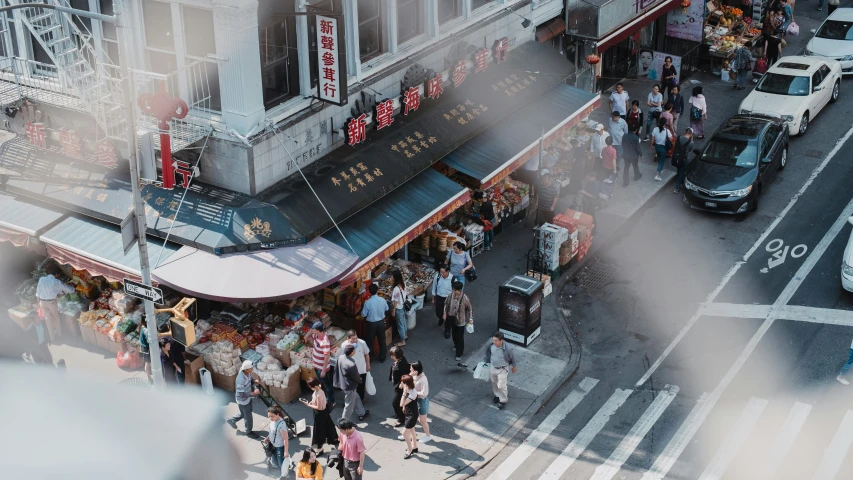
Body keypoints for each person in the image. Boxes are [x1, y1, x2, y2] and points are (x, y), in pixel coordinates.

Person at [334, 344, 369, 422]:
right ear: (352, 352)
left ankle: (361, 412)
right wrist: (360, 380)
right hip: (350, 386)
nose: (355, 351)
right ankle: (344, 422)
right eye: (354, 350)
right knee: (349, 405)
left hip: (343, 383)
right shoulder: (351, 364)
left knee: (356, 397)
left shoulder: (340, 357)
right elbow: (356, 376)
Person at [302, 377, 338, 453]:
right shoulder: (319, 388)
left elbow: (319, 407)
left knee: (318, 431)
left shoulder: (319, 394)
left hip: (320, 414)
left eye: (310, 386)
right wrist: (312, 401)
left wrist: (308, 404)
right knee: (329, 426)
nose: (309, 387)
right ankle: (333, 439)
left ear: (314, 386)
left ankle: (319, 447)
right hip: (324, 413)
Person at [227, 360, 261, 438]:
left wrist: (254, 380)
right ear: (246, 369)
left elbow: (250, 378)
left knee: (245, 413)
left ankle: (232, 420)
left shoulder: (247, 373)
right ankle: (248, 431)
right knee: (248, 416)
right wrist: (253, 393)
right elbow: (241, 394)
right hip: (243, 400)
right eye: (251, 368)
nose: (252, 369)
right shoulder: (240, 380)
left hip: (247, 398)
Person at [484, 332, 518, 410]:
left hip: (503, 369)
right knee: (494, 382)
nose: (494, 342)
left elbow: (513, 357)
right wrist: (486, 362)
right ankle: (497, 395)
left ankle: (503, 400)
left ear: (501, 340)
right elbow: (487, 353)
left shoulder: (508, 348)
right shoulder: (491, 345)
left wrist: (514, 366)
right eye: (493, 340)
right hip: (493, 367)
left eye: (496, 341)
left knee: (502, 385)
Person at [35, 273, 74, 342]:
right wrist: (73, 289)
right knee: (56, 317)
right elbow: (66, 288)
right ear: (56, 274)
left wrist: (38, 303)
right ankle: (59, 334)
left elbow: (38, 292)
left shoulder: (41, 279)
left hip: (42, 302)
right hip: (51, 303)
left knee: (48, 319)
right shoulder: (56, 281)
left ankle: (52, 337)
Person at [443, 281, 473, 362]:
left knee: (460, 337)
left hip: (461, 321)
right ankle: (456, 345)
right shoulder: (451, 295)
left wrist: (471, 318)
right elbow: (446, 304)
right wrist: (445, 313)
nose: (453, 291)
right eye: (453, 289)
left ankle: (459, 353)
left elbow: (470, 309)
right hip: (452, 319)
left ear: (459, 290)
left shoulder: (465, 298)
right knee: (454, 335)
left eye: (455, 290)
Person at [307, 321, 334, 407]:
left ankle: (331, 401)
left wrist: (323, 370)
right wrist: (311, 331)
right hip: (317, 366)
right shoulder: (316, 336)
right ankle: (324, 397)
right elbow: (305, 337)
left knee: (327, 385)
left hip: (322, 368)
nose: (312, 330)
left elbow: (327, 357)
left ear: (318, 330)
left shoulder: (324, 342)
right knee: (322, 383)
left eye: (313, 329)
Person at [361, 284, 388, 363]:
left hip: (371, 324)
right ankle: (382, 357)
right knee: (382, 340)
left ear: (369, 292)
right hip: (380, 323)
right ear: (377, 291)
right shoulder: (382, 300)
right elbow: (387, 308)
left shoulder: (367, 302)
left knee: (370, 341)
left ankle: (370, 358)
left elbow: (363, 314)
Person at [263, 405, 291, 478]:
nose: (270, 418)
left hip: (279, 447)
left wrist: (286, 451)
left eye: (272, 416)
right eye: (269, 416)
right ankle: (281, 471)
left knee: (281, 463)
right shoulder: (273, 421)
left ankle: (284, 475)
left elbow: (285, 439)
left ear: (277, 415)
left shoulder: (281, 424)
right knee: (274, 461)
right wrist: (268, 438)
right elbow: (272, 432)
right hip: (273, 445)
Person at [343, 330, 370, 400]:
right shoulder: (344, 345)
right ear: (348, 338)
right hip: (350, 371)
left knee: (361, 387)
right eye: (353, 339)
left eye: (356, 338)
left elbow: (366, 355)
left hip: (361, 369)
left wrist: (368, 365)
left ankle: (360, 401)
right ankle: (351, 401)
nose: (355, 340)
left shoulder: (362, 343)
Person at [410, 361, 432, 442]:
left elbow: (424, 393)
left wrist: (413, 392)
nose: (410, 370)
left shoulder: (423, 379)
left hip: (421, 401)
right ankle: (410, 433)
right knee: (413, 418)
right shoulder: (414, 375)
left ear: (416, 370)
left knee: (422, 420)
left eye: (411, 369)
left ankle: (428, 435)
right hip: (415, 400)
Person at [389, 345, 411, 427]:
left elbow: (405, 375)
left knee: (395, 403)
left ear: (395, 356)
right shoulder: (401, 360)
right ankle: (400, 414)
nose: (391, 357)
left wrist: (401, 384)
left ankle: (401, 419)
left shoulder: (402, 365)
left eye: (392, 355)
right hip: (397, 385)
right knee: (398, 402)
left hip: (400, 388)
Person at [400, 374, 420, 459]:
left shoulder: (413, 393)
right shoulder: (408, 388)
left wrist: (404, 393)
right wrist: (405, 407)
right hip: (409, 412)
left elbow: (401, 403)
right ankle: (414, 447)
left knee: (404, 433)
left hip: (412, 415)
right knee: (412, 430)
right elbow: (404, 404)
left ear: (406, 384)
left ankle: (410, 449)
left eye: (403, 382)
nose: (401, 383)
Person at [672, 127, 695, 194]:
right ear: (691, 134)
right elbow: (690, 149)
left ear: (686, 132)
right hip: (684, 159)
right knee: (682, 173)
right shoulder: (691, 142)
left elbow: (675, 145)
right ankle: (676, 187)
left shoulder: (678, 138)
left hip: (676, 157)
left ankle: (679, 183)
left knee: (678, 171)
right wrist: (692, 140)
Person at [432, 265, 454, 339]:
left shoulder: (453, 279)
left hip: (448, 299)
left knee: (448, 316)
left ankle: (447, 330)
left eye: (443, 272)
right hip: (439, 298)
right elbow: (434, 287)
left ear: (447, 272)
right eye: (440, 272)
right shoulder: (437, 277)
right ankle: (441, 318)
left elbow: (455, 291)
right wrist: (433, 298)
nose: (442, 274)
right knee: (438, 313)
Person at [390, 269, 408, 347]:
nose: (391, 277)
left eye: (392, 276)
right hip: (403, 306)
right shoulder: (403, 285)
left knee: (400, 325)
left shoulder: (396, 289)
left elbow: (396, 301)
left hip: (399, 308)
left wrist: (393, 310)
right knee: (403, 322)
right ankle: (405, 335)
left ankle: (402, 341)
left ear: (395, 278)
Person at [650, 117, 670, 182]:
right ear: (665, 124)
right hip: (663, 148)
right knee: (662, 161)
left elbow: (653, 139)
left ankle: (660, 169)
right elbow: (670, 139)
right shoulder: (667, 131)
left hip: (657, 147)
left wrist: (651, 146)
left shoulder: (655, 129)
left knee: (659, 158)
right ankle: (657, 175)